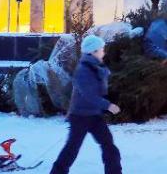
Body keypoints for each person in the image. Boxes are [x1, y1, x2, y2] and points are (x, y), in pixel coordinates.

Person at [50, 34, 122, 174]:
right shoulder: (83, 70)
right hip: (80, 116)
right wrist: (108, 105)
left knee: (108, 146)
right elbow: (89, 95)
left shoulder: (95, 68)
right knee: (72, 148)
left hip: (94, 115)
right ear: (93, 51)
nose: (103, 52)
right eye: (101, 49)